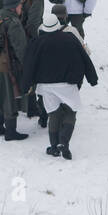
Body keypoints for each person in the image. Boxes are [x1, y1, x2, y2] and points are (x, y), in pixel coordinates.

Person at [21, 10, 99, 159]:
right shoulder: (69, 39)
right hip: (67, 84)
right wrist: (92, 78)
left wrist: (25, 85)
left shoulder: (36, 42)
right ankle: (64, 142)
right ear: (58, 26)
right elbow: (84, 58)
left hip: (46, 86)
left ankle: (53, 147)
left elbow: (29, 65)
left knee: (54, 113)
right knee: (70, 111)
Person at [0, 0, 29, 139]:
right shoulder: (14, 23)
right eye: (20, 5)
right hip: (9, 64)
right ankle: (11, 132)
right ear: (14, 7)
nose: (21, 7)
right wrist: (27, 67)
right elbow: (21, 48)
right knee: (10, 96)